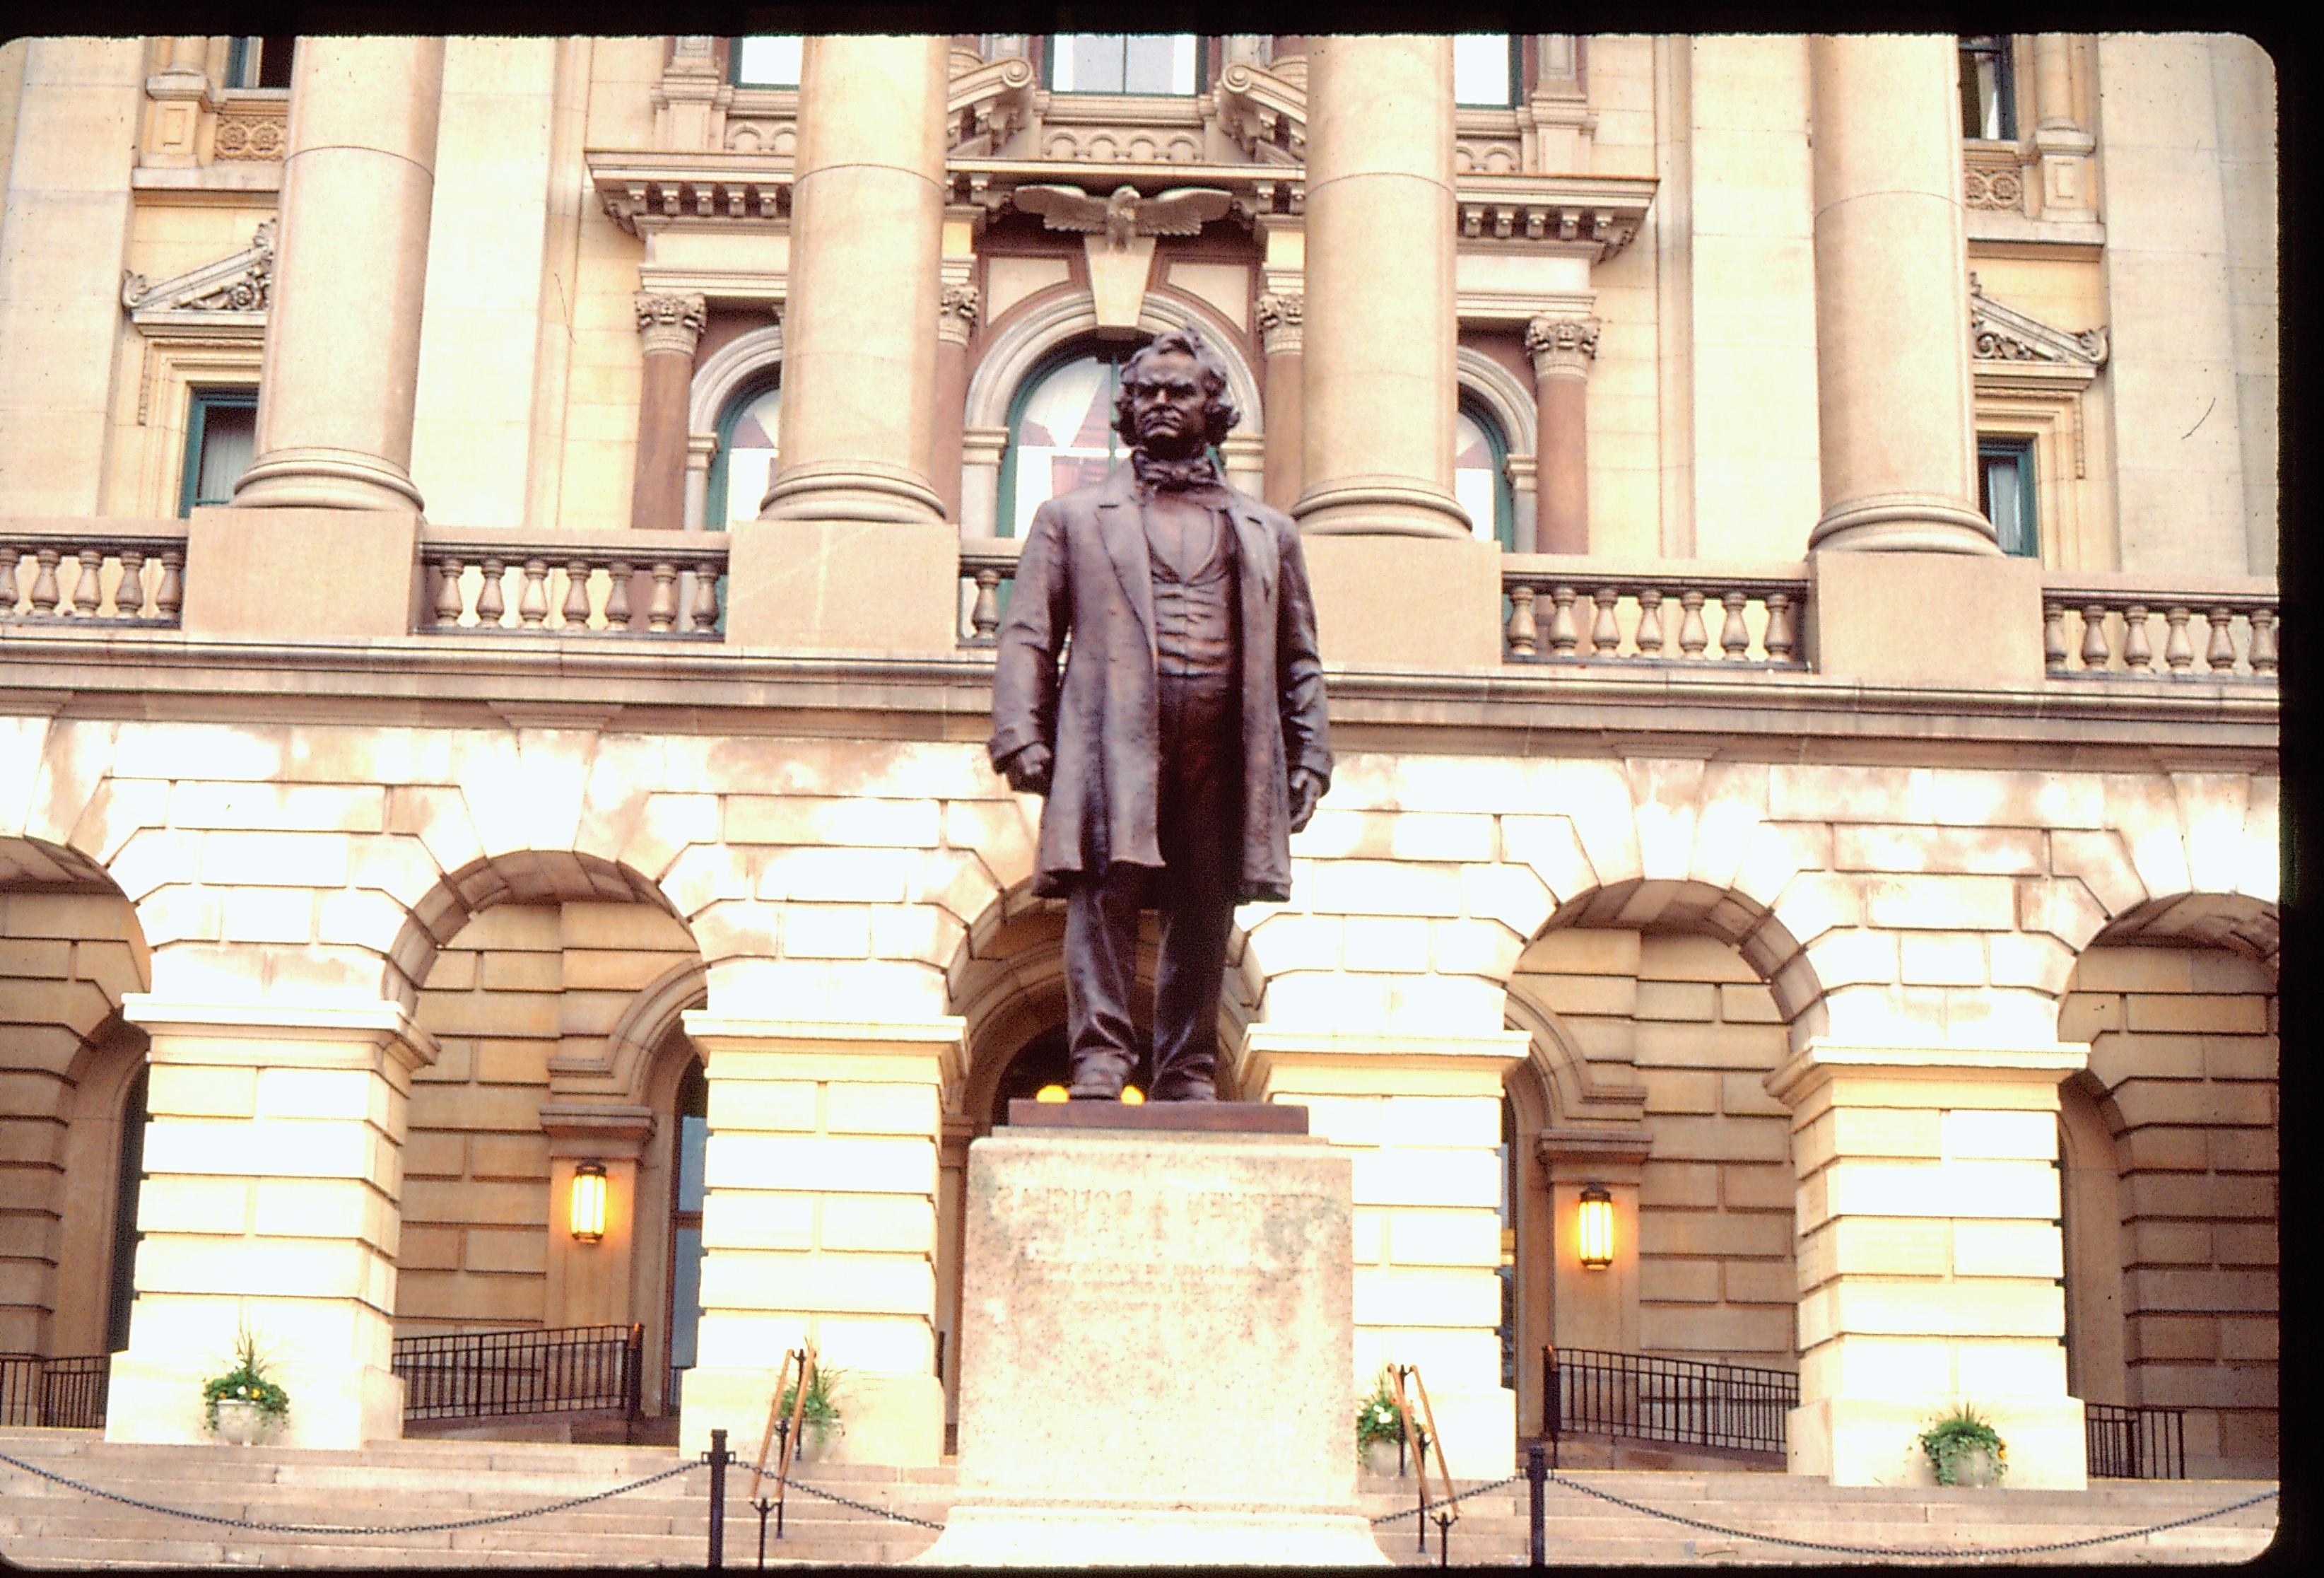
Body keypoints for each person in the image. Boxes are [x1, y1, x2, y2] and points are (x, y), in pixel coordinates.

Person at [989, 325, 1331, 1101]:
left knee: (1204, 908)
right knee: (1102, 897)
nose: (1161, 404)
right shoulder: (1072, 519)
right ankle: (1100, 1060)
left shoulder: (1269, 533)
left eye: (1180, 392)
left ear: (1214, 407)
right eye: (1146, 392)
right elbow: (1029, 634)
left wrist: (1311, 753)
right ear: (1126, 409)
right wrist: (1020, 732)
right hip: (1110, 741)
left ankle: (1186, 1069)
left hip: (1226, 745)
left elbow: (1298, 656)